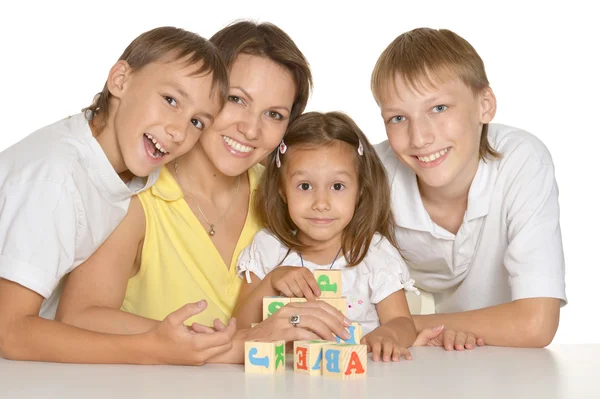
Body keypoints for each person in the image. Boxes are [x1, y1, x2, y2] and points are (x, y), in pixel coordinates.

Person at [57, 21, 349, 364]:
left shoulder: (288, 194)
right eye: (236, 99)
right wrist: (230, 344)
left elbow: (357, 277)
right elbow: (80, 315)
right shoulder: (137, 194)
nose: (251, 129)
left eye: (274, 114)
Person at [0, 26, 234, 363]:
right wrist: (153, 348)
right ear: (120, 80)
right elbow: (10, 332)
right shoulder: (55, 179)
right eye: (170, 100)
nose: (179, 131)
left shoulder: (130, 166)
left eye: (198, 121)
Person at [371, 27, 566, 350]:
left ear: (484, 105)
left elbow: (536, 323)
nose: (419, 138)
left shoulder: (522, 160)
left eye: (439, 108)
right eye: (397, 118)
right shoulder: (372, 173)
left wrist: (400, 325)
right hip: (398, 362)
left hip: (492, 365)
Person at [233, 111, 419, 362]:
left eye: (338, 186)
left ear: (360, 190)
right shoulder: (268, 248)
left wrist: (388, 335)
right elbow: (238, 328)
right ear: (282, 190)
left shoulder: (373, 252)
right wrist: (272, 281)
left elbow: (402, 322)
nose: (321, 203)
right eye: (305, 186)